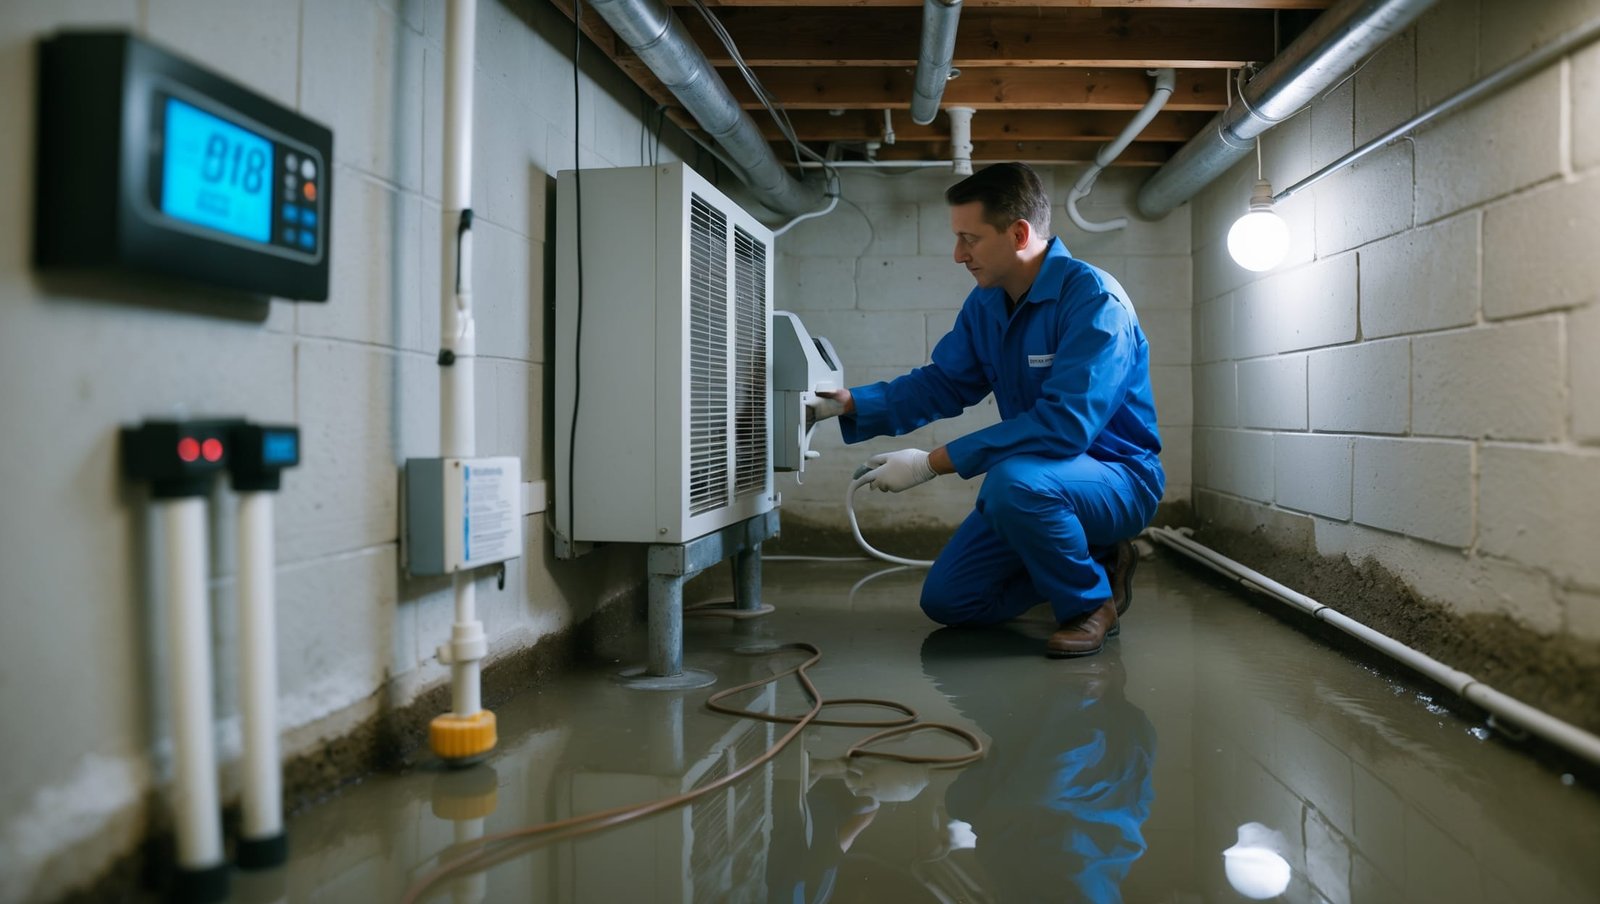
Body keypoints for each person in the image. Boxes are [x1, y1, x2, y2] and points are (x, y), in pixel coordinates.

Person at [808, 162, 1164, 658]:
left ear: (1018, 234)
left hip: (1117, 479)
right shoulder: (986, 304)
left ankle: (1089, 604)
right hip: (1038, 482)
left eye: (969, 239)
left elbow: (1064, 427)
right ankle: (1089, 558)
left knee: (1011, 484)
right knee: (950, 599)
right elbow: (944, 382)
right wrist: (853, 403)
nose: (959, 254)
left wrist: (930, 463)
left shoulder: (1094, 301)